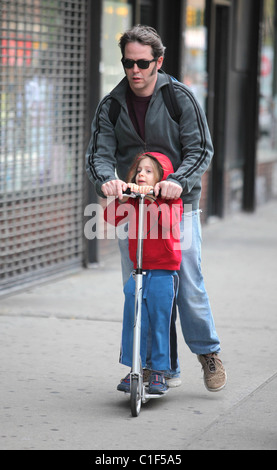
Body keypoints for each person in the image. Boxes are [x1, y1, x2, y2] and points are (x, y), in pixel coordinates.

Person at [86, 24, 227, 392]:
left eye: (143, 63)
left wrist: (178, 179)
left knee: (187, 288)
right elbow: (98, 156)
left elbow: (201, 150)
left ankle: (207, 352)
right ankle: (155, 368)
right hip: (135, 210)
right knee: (141, 291)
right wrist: (107, 180)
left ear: (158, 61)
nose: (135, 70)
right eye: (128, 62)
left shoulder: (179, 97)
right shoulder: (112, 104)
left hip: (179, 208)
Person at [104, 152, 183, 394]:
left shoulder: (171, 201)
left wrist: (150, 198)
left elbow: (169, 222)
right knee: (135, 319)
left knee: (160, 321)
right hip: (138, 270)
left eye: (148, 171)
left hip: (163, 271)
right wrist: (122, 197)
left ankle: (160, 371)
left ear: (161, 178)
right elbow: (110, 218)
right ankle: (135, 368)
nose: (141, 174)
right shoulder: (132, 199)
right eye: (139, 170)